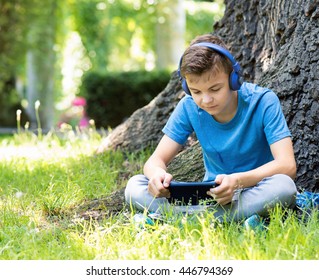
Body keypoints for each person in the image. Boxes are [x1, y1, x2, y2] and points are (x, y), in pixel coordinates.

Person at [125, 33, 297, 224]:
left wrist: (237, 181)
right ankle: (225, 220)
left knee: (284, 187)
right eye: (196, 91)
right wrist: (157, 176)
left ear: (233, 79)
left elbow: (287, 166)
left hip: (252, 191)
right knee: (134, 186)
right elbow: (155, 160)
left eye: (215, 89)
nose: (206, 100)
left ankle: (181, 219)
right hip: (211, 197)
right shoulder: (188, 106)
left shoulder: (264, 101)